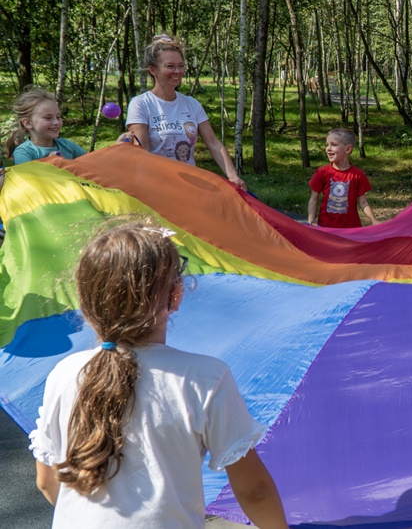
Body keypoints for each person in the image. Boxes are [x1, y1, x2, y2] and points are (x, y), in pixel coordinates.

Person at [29, 221, 288, 528]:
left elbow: (47, 481)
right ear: (175, 296)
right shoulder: (204, 378)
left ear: (85, 305)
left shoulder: (65, 374)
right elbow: (254, 490)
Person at [126, 34, 246, 189]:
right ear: (153, 70)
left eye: (180, 66)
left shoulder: (191, 104)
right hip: (156, 187)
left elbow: (214, 143)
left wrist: (233, 177)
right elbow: (141, 152)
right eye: (170, 66)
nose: (177, 71)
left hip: (189, 187)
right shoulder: (141, 104)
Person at [308, 128, 378, 228]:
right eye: (327, 145)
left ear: (347, 149)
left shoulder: (358, 175)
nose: (328, 148)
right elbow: (313, 199)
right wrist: (311, 220)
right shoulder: (322, 172)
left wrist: (374, 220)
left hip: (350, 228)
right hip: (326, 227)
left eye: (334, 144)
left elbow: (363, 202)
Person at [7, 89, 86, 164]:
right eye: (48, 118)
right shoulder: (24, 152)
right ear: (28, 123)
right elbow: (28, 176)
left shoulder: (66, 145)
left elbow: (90, 161)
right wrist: (48, 163)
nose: (56, 122)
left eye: (58, 117)